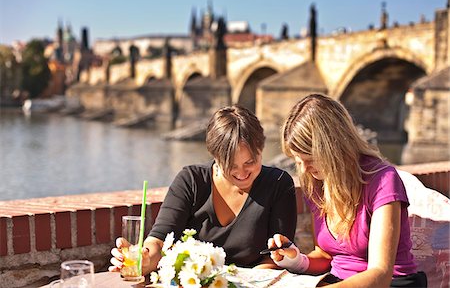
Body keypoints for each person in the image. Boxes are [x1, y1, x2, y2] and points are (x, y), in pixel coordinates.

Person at [109, 104, 297, 275]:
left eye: (250, 162)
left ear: (261, 149)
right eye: (230, 165)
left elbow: (274, 259)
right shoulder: (191, 180)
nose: (242, 173)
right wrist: (144, 259)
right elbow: (159, 241)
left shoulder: (279, 184)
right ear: (215, 156)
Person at [267, 94, 426, 287]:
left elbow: (381, 273)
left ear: (333, 148)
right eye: (297, 161)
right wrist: (296, 260)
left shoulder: (382, 180)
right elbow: (326, 255)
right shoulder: (318, 182)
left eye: (309, 159)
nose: (304, 169)